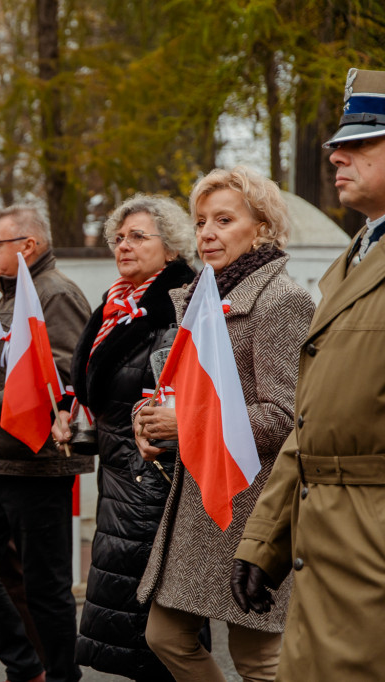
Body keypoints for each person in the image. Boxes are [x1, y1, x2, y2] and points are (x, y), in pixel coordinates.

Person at [231, 68, 385, 681]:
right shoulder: (357, 254)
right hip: (327, 544)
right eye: (337, 143)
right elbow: (309, 420)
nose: (336, 155)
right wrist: (264, 541)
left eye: (361, 144)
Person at [133, 167, 315, 681]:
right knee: (164, 637)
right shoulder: (201, 297)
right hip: (199, 502)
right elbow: (175, 387)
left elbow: (286, 416)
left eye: (224, 220)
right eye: (200, 221)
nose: (206, 233)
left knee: (257, 658)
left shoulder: (282, 301)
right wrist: (149, 421)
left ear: (261, 227)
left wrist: (186, 426)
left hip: (252, 505)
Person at [52, 194, 195, 680]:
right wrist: (72, 413)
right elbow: (96, 382)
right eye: (118, 237)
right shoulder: (117, 304)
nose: (123, 246)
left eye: (138, 236)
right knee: (134, 628)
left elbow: (178, 394)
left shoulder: (177, 305)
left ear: (171, 248)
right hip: (121, 476)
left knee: (155, 631)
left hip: (154, 479)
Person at [0, 205, 92, 682]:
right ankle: (25, 666)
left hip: (35, 464)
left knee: (46, 585)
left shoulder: (56, 294)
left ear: (28, 246)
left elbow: (69, 377)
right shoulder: (2, 295)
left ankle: (59, 675)